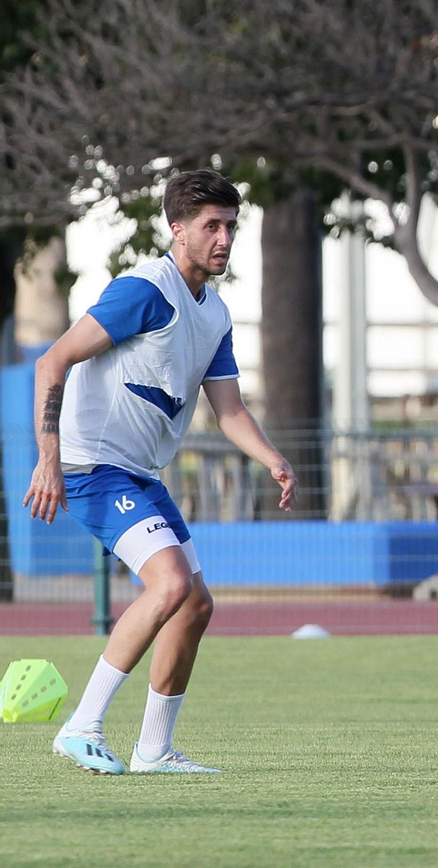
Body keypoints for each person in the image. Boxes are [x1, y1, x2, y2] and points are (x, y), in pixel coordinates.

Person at [25, 169, 298, 775]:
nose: (224, 238)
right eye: (211, 226)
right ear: (178, 230)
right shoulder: (143, 291)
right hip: (93, 468)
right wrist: (48, 457)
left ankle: (153, 750)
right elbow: (52, 361)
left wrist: (272, 458)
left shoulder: (215, 313)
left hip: (141, 474)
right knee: (170, 584)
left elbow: (229, 409)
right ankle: (82, 725)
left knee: (195, 605)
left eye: (231, 226)